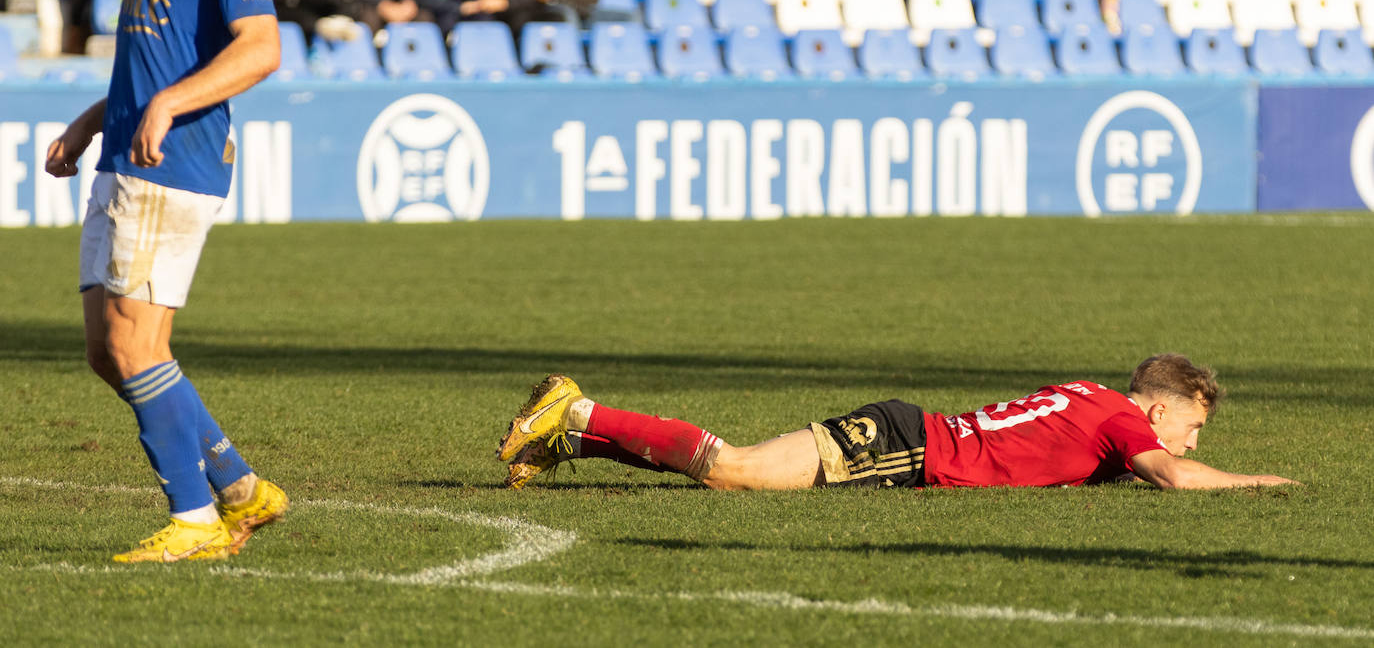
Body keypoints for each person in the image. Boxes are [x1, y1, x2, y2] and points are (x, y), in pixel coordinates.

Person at [42, 0, 287, 564]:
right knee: (105, 350)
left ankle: (193, 519)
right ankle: (241, 488)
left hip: (168, 159)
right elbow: (156, 55)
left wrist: (170, 105)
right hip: (127, 148)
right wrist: (91, 122)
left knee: (136, 348)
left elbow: (262, 46)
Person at [496, 355, 1299, 492]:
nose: (1189, 442)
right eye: (1190, 425)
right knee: (735, 470)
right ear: (1158, 408)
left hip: (910, 431)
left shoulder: (1096, 398)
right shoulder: (1131, 428)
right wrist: (1264, 481)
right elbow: (1172, 474)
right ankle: (580, 409)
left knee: (735, 472)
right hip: (907, 446)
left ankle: (567, 434)